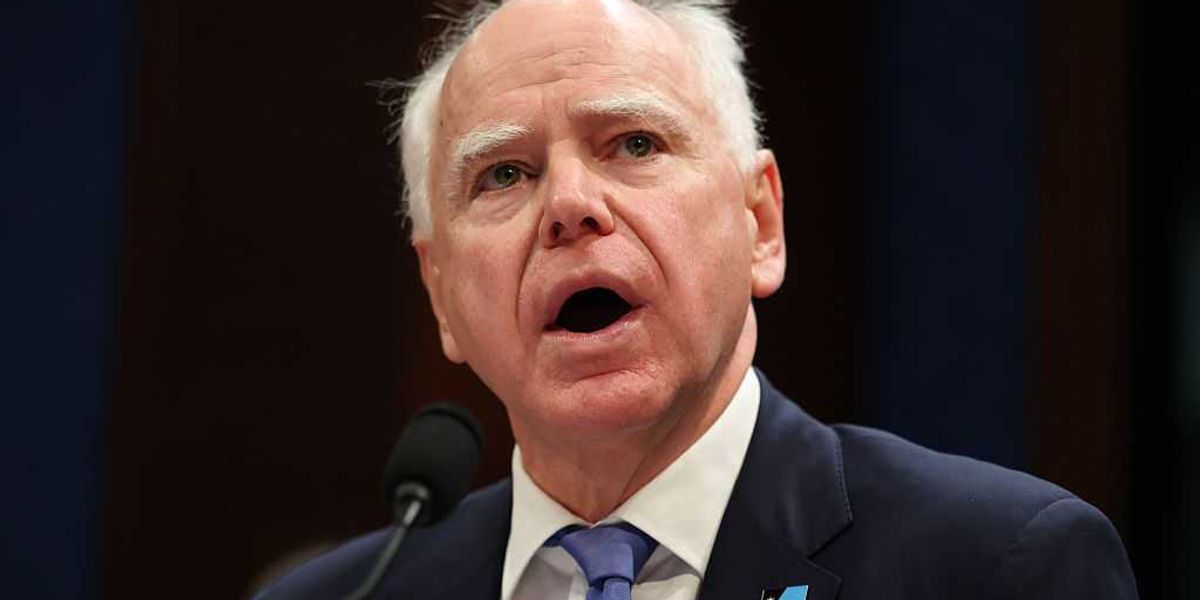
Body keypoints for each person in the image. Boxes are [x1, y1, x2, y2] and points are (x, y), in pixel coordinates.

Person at [257, 1, 1138, 598]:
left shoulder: (996, 566)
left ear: (761, 225)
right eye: (504, 174)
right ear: (442, 295)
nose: (570, 205)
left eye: (634, 143)